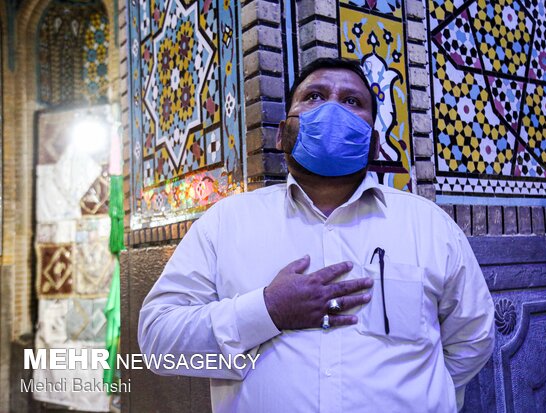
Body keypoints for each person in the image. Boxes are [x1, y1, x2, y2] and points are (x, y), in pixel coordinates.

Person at [138, 58, 495, 413]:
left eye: (352, 102)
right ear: (281, 133)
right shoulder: (225, 223)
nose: (332, 109)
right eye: (314, 96)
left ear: (373, 144)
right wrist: (268, 310)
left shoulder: (430, 226)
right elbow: (158, 342)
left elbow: (472, 339)